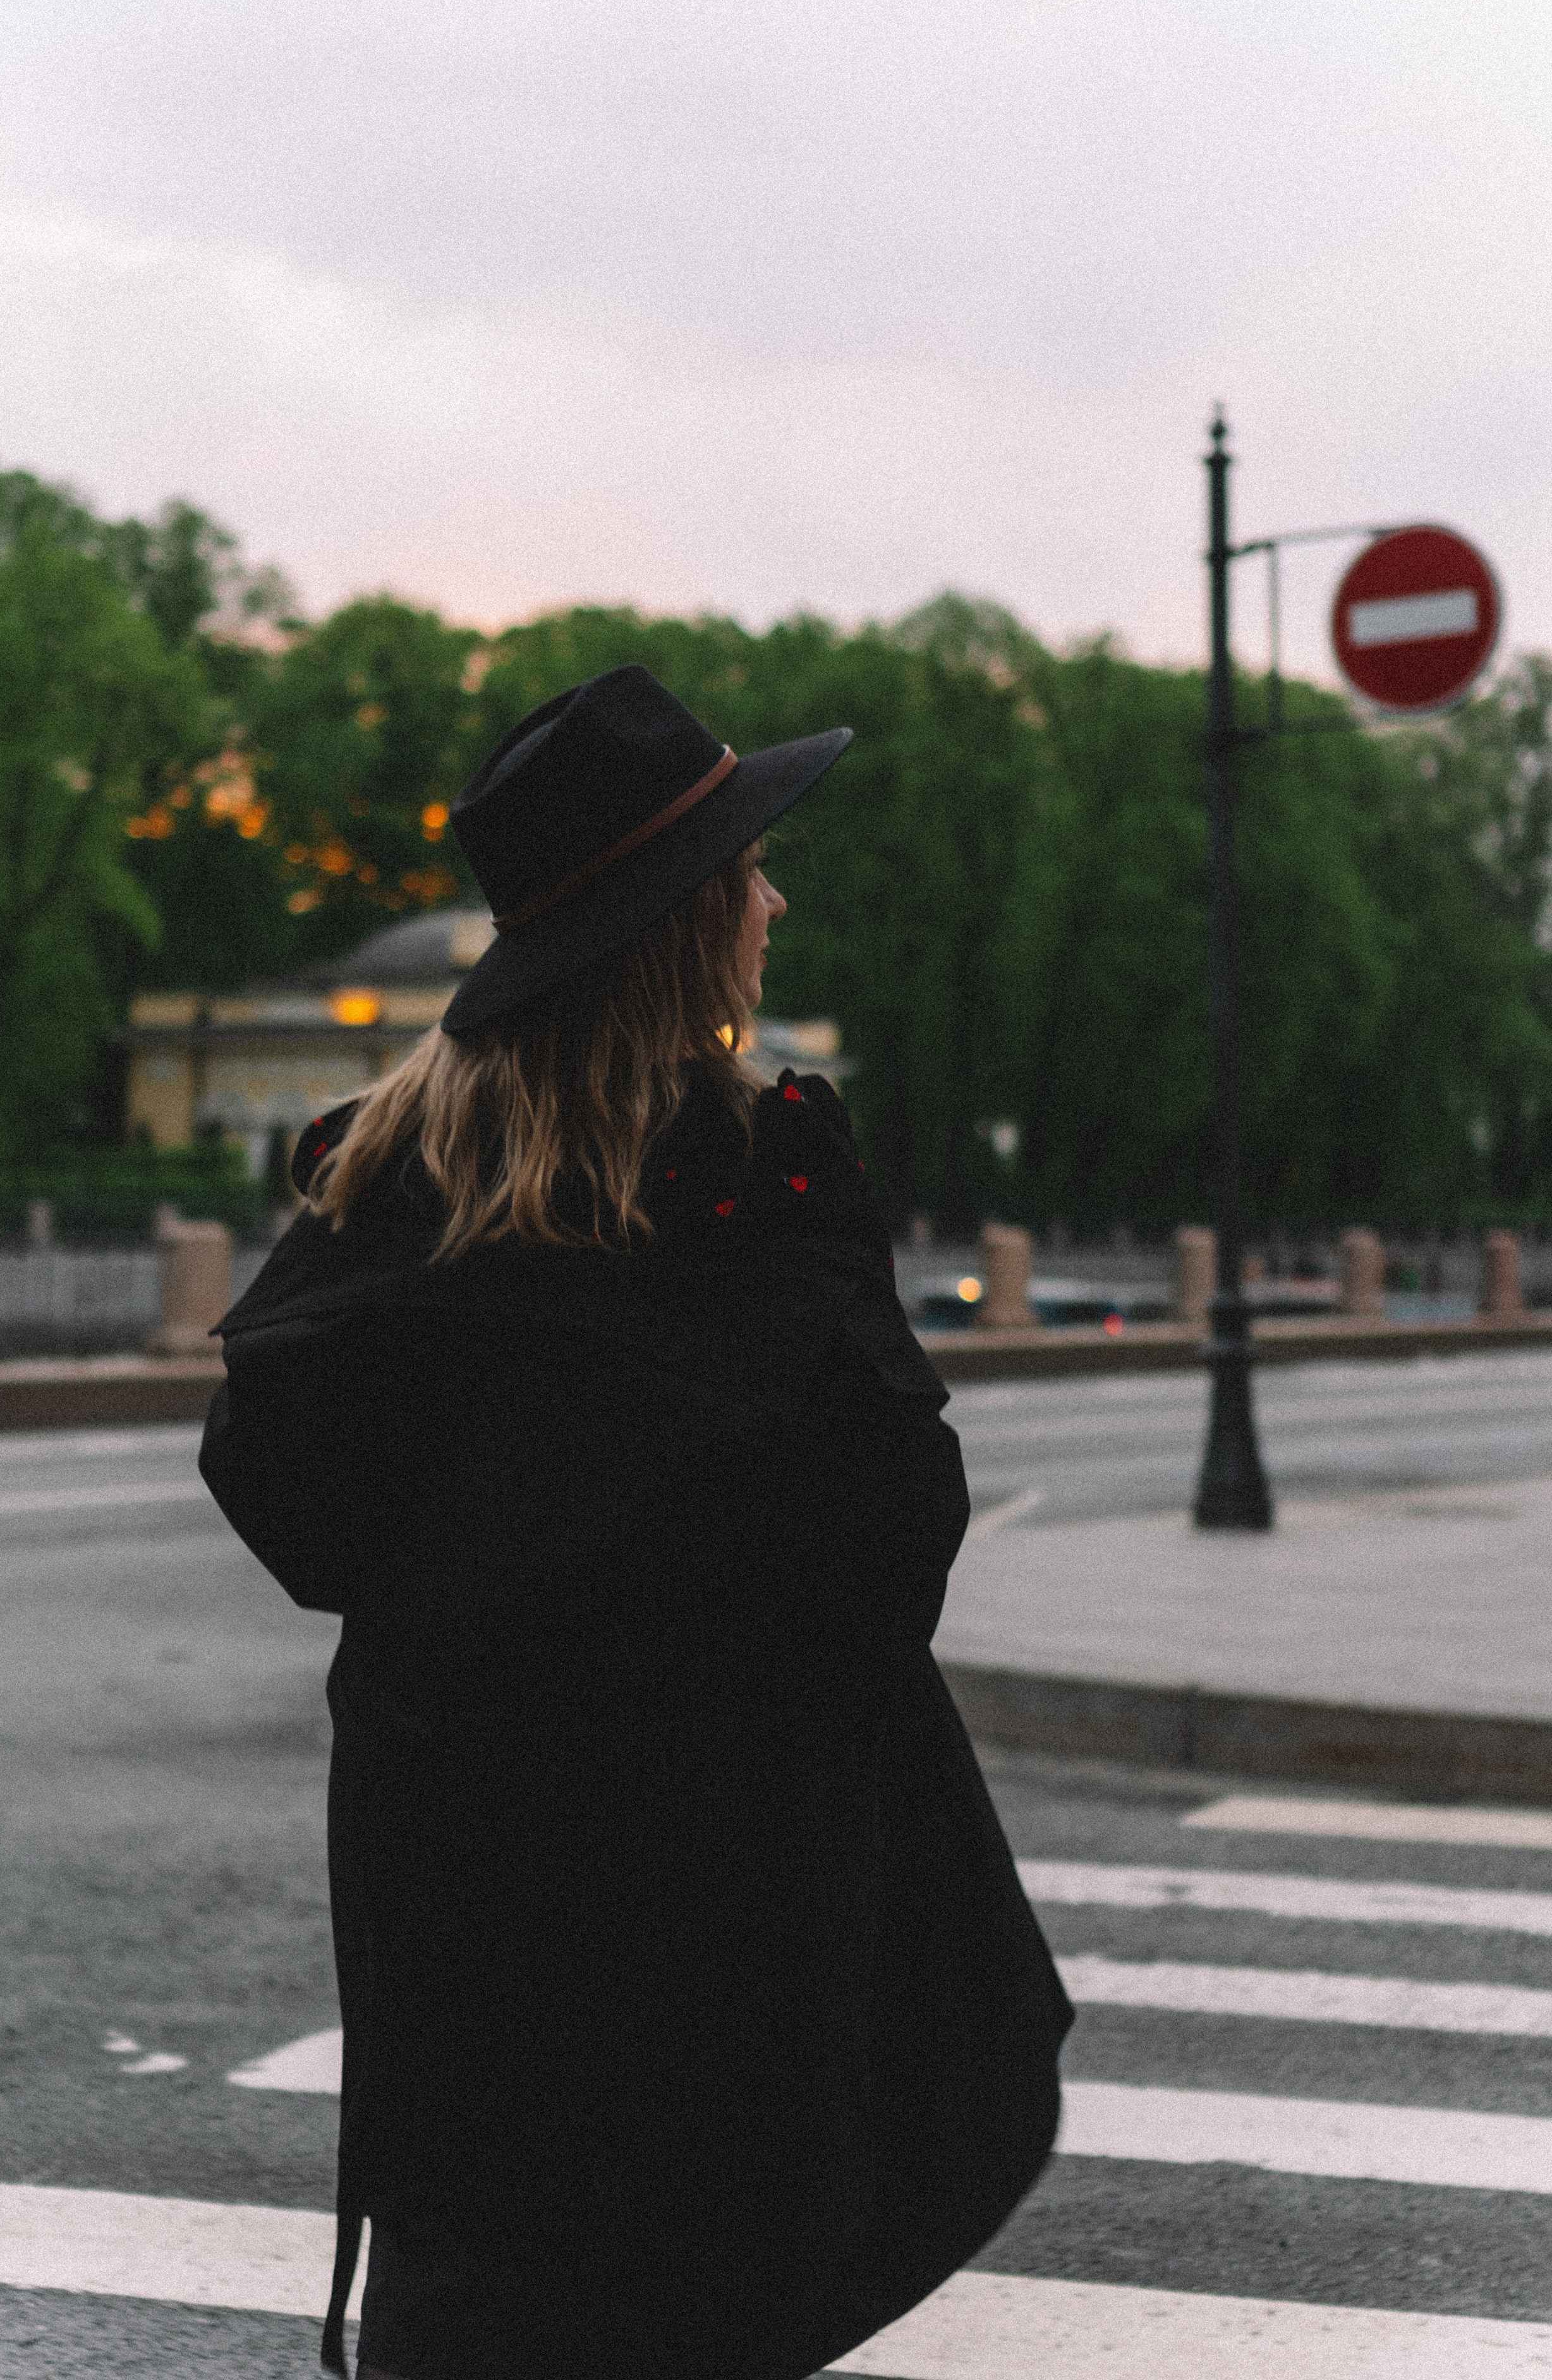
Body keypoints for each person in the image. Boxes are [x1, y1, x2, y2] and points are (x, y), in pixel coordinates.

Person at [199, 664, 1072, 2380]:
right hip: (716, 1916)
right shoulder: (754, 1180)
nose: (775, 902)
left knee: (479, 2291)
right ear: (684, 926)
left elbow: (292, 1501)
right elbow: (887, 1543)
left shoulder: (383, 1191)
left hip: (461, 1896)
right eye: (751, 869)